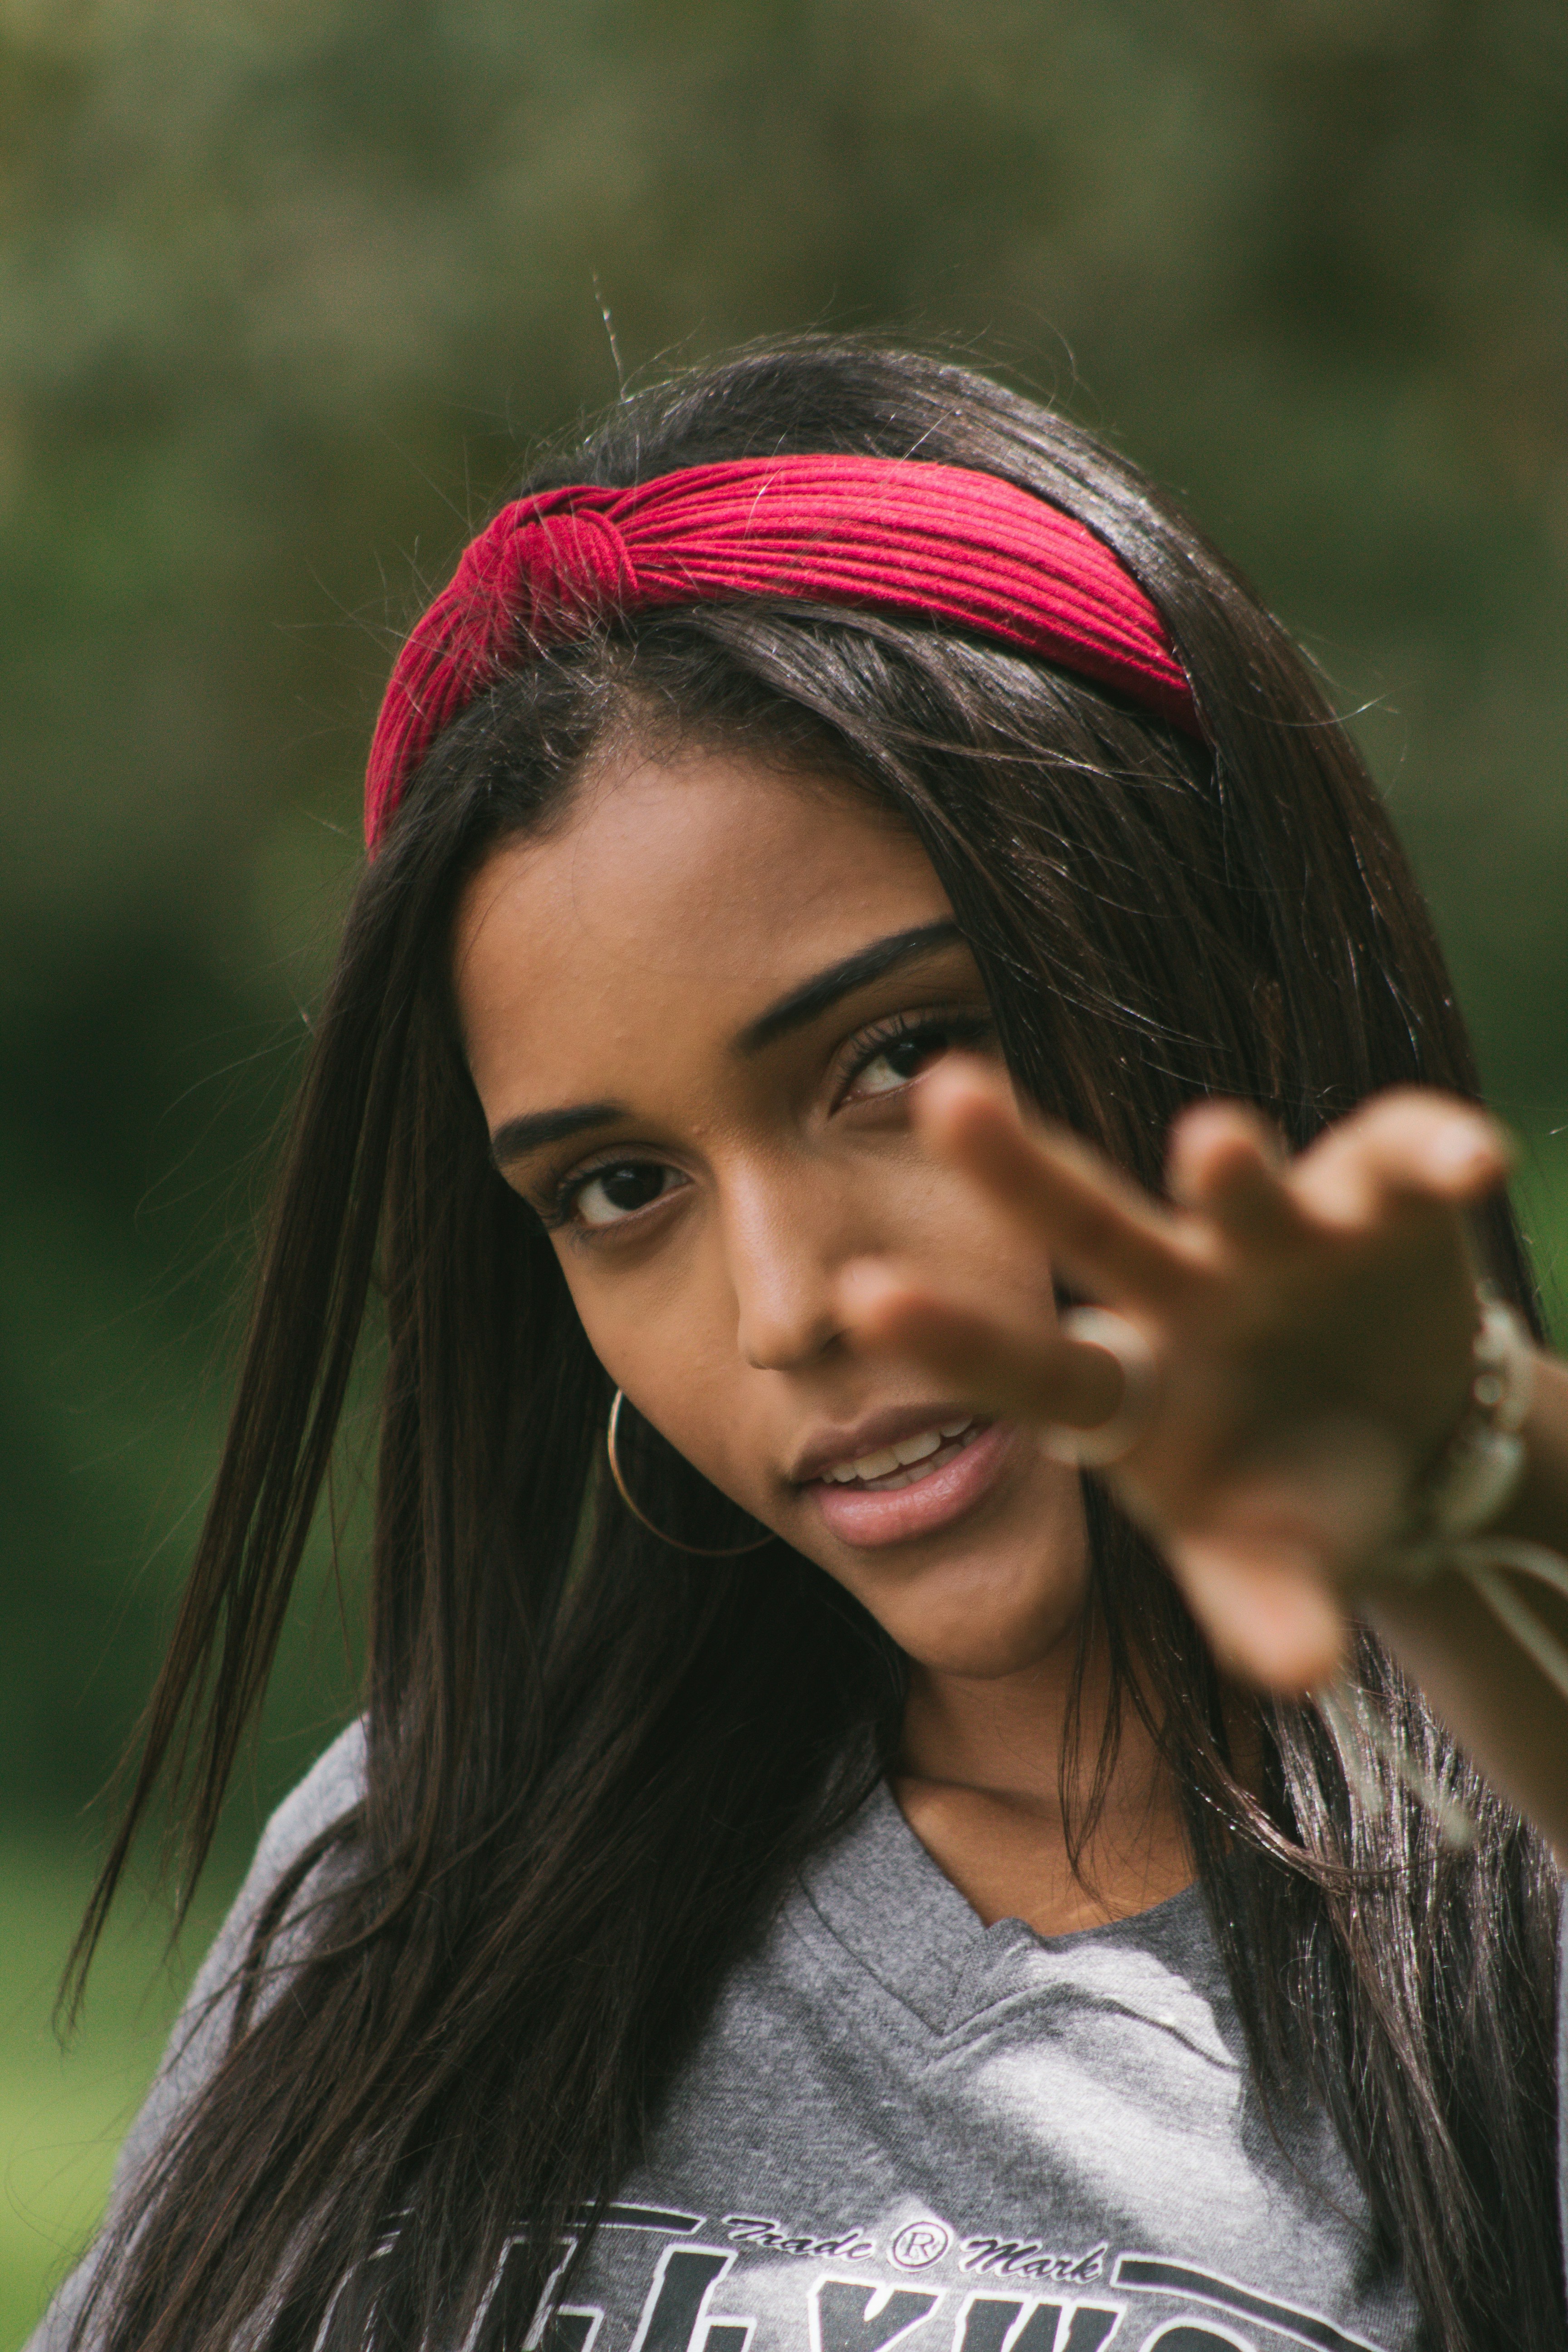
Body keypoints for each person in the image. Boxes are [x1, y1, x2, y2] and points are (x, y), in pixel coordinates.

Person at [32, 338, 1568, 2352]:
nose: (785, 1309)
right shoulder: (429, 1856)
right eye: (618, 1188)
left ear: (1233, 996)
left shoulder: (1513, 1929)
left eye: (902, 1058)